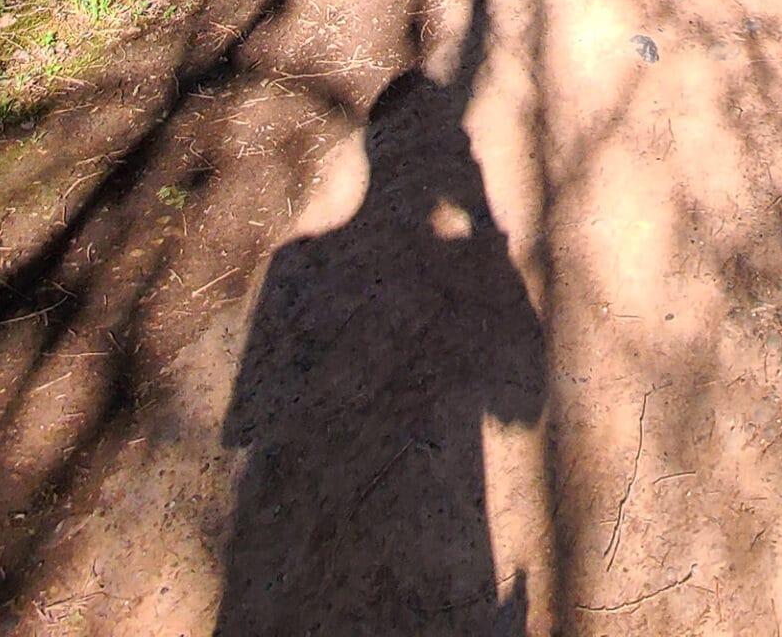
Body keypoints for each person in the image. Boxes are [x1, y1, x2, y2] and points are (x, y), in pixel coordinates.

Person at [215, 70, 545, 635]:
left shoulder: (291, 267)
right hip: (443, 541)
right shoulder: (468, 258)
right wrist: (485, 222)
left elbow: (243, 424)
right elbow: (522, 407)